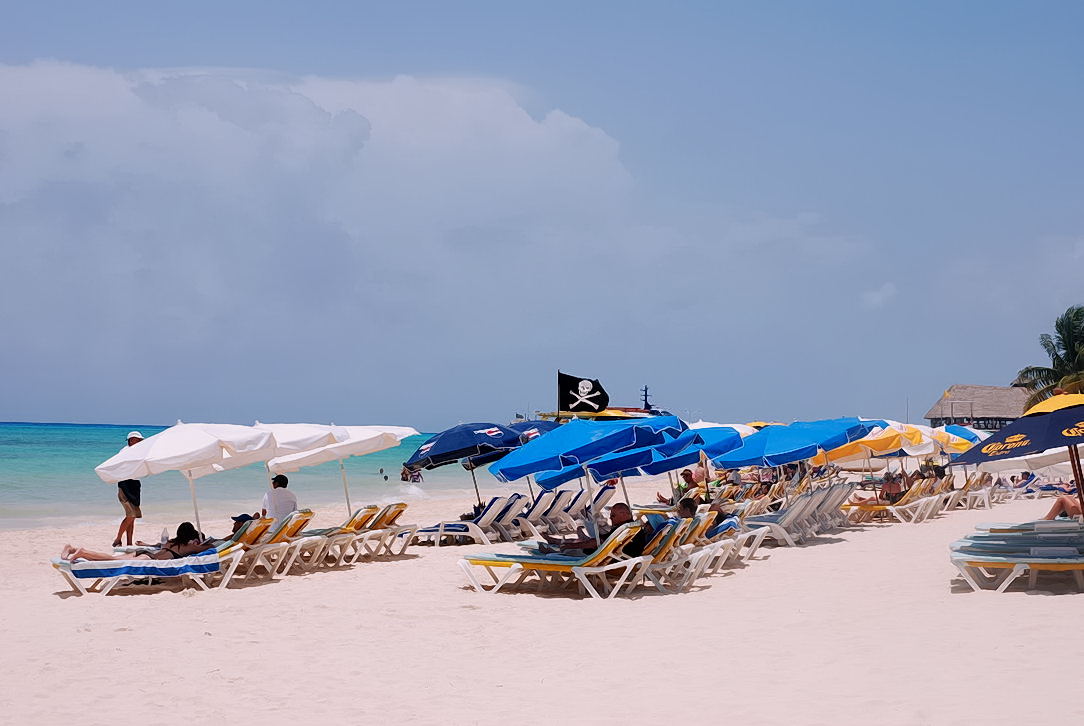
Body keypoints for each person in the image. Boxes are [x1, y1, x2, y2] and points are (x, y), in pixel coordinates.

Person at [541, 503, 651, 556]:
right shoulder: (633, 526)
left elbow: (597, 543)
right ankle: (555, 542)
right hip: (621, 555)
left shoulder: (623, 528)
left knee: (572, 549)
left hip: (611, 557)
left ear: (623, 514)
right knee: (587, 541)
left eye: (613, 516)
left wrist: (570, 546)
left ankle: (555, 550)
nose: (610, 518)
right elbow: (603, 541)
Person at [61, 522, 205, 561]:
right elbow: (211, 546)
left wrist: (145, 545)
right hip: (149, 558)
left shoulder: (173, 541)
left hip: (145, 553)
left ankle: (74, 550)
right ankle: (83, 552)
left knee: (112, 559)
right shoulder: (189, 547)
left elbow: (158, 545)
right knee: (112, 560)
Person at [113, 431, 144, 547]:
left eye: (140, 440)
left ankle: (129, 543)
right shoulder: (125, 451)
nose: (140, 442)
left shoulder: (139, 451)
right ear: (131, 440)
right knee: (130, 515)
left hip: (134, 484)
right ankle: (117, 539)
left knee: (133, 517)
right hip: (125, 485)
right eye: (138, 440)